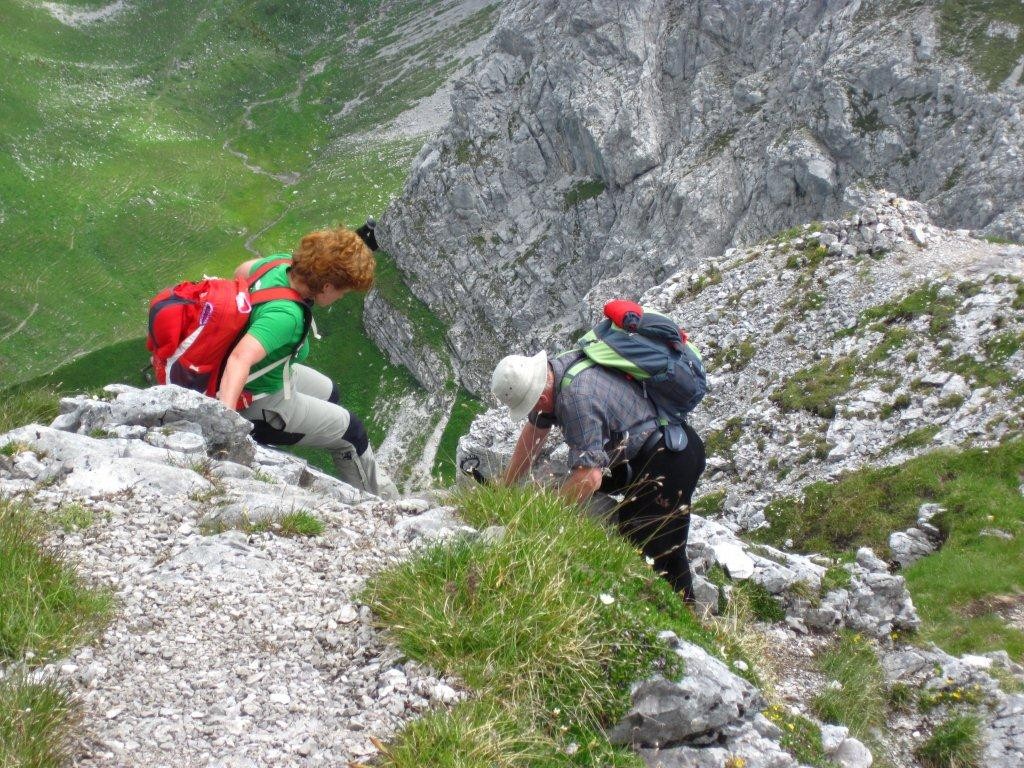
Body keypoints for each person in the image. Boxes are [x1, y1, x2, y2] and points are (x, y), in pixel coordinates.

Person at [490, 349, 705, 602]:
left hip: (671, 459)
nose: (534, 409)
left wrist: (547, 517)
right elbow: (534, 432)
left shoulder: (575, 399)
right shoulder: (556, 372)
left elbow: (589, 478)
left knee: (650, 548)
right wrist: (505, 485)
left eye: (532, 403)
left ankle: (686, 614)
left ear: (540, 392)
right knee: (632, 530)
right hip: (644, 453)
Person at [217, 226, 396, 498]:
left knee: (330, 392)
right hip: (257, 399)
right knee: (353, 433)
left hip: (273, 371)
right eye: (342, 292)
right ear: (326, 287)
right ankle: (381, 505)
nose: (341, 298)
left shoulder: (276, 265)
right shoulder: (286, 316)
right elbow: (239, 359)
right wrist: (224, 429)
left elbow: (241, 273)